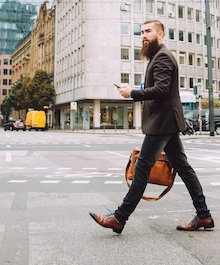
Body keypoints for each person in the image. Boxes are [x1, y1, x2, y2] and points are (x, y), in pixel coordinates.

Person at [89, 19, 213, 234]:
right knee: (183, 168)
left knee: (142, 168)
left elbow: (162, 89)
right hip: (166, 121)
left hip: (162, 122)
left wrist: (133, 94)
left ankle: (119, 218)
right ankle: (203, 215)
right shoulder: (157, 56)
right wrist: (134, 89)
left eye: (148, 32)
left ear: (161, 34)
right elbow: (158, 87)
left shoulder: (163, 56)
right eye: (142, 32)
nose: (144, 36)